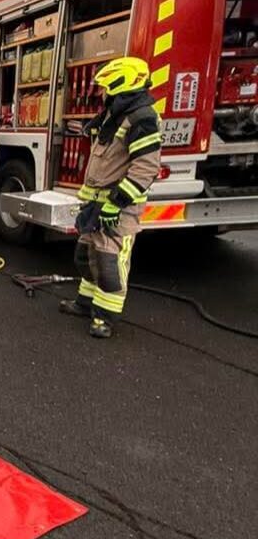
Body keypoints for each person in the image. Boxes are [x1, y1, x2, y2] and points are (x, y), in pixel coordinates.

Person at [60, 57, 162, 339]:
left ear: (122, 84)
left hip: (117, 208)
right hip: (95, 204)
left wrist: (117, 203)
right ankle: (85, 303)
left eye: (107, 87)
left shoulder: (142, 119)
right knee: (85, 257)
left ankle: (104, 317)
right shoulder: (115, 113)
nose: (103, 93)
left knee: (109, 263)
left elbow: (146, 168)